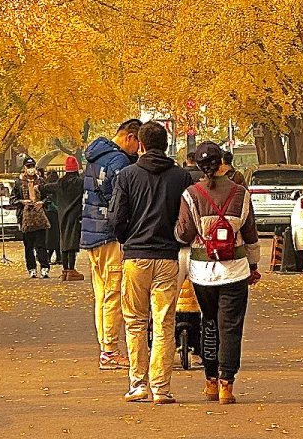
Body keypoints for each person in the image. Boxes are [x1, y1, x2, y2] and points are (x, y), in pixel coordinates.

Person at [107, 119, 191, 405]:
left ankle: (138, 383)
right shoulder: (181, 177)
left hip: (136, 257)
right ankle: (161, 388)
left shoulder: (127, 176)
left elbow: (116, 217)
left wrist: (127, 238)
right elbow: (186, 219)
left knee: (135, 322)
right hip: (167, 257)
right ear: (166, 145)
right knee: (164, 322)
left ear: (140, 145)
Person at [175, 140, 261, 405]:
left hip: (202, 272)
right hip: (235, 269)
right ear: (223, 162)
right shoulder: (241, 194)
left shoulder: (191, 194)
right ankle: (227, 384)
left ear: (199, 166)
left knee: (209, 322)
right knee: (231, 327)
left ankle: (210, 381)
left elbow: (184, 234)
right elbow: (250, 234)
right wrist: (253, 265)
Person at [81, 119, 141, 369]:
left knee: (101, 295)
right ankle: (110, 350)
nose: (138, 150)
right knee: (114, 294)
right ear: (130, 137)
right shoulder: (119, 161)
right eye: (138, 144)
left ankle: (105, 346)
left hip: (92, 234)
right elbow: (119, 202)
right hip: (109, 234)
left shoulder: (95, 156)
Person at [12, 157, 51, 278]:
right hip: (25, 218)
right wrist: (22, 202)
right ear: (24, 168)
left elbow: (49, 196)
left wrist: (42, 202)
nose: (30, 169)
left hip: (40, 216)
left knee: (41, 244)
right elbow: (12, 199)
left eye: (32, 166)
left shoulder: (41, 181)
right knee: (28, 246)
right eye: (28, 167)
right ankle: (31, 268)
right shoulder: (18, 183)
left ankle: (44, 267)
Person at [56, 156, 84, 281]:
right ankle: (71, 270)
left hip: (62, 215)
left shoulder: (60, 183)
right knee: (72, 241)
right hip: (75, 215)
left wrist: (37, 188)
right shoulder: (80, 182)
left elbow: (47, 187)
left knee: (64, 241)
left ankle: (65, 270)